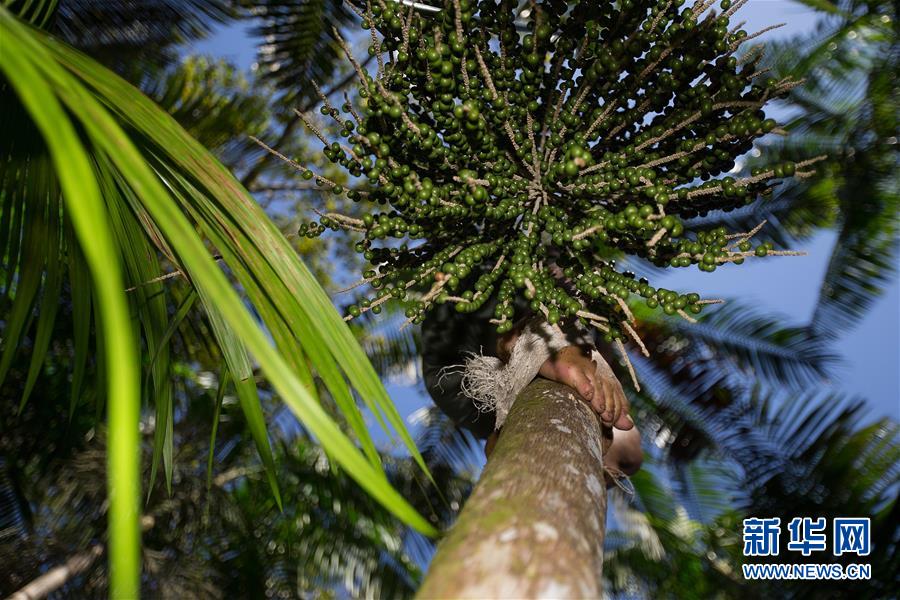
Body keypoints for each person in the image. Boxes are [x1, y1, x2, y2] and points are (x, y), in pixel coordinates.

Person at [422, 300, 644, 482]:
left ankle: (525, 345)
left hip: (458, 339)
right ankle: (532, 343)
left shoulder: (466, 404)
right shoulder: (601, 340)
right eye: (606, 421)